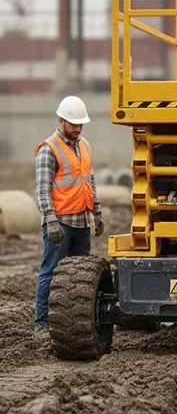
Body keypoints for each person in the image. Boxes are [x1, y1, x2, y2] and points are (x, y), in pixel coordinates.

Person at [33, 95, 104, 337]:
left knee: (81, 277)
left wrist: (98, 211)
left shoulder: (84, 145)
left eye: (81, 124)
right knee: (51, 271)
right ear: (61, 121)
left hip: (82, 222)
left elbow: (89, 181)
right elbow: (42, 190)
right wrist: (50, 220)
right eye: (74, 124)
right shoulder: (49, 149)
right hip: (60, 224)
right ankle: (42, 324)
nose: (78, 128)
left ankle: (77, 324)